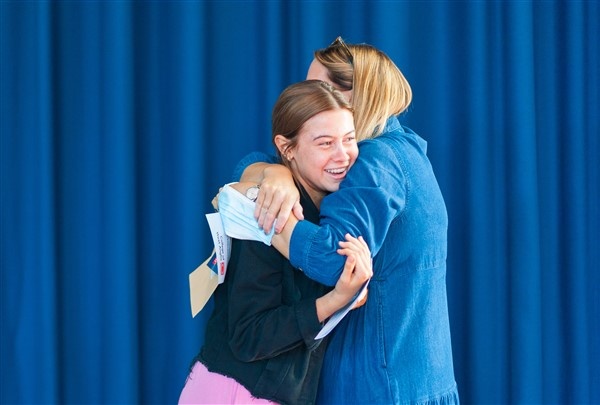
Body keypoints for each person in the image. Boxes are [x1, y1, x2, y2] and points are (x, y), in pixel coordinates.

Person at [222, 37, 459, 404]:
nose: (307, 97)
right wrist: (272, 173)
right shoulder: (406, 148)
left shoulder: (374, 161)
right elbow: (268, 159)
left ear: (354, 97)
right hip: (417, 377)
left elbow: (334, 261)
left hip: (377, 383)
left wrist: (257, 212)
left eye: (319, 89)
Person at [178, 80, 372, 405]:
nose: (343, 156)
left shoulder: (334, 212)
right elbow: (248, 336)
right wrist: (336, 300)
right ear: (287, 148)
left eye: (349, 139)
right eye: (325, 143)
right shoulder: (266, 213)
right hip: (232, 392)